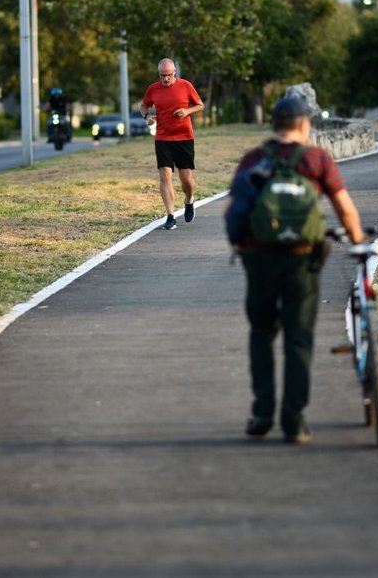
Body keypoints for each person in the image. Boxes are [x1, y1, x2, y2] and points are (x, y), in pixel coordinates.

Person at [225, 95, 364, 444]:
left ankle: (261, 413)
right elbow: (344, 208)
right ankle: (294, 421)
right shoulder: (317, 159)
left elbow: (232, 210)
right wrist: (359, 243)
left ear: (275, 125)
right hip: (302, 258)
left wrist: (240, 244)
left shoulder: (254, 159)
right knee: (298, 338)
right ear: (305, 125)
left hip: (259, 258)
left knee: (261, 333)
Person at [140, 58, 204, 230]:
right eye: (162, 75)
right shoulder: (153, 88)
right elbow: (143, 106)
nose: (166, 78)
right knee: (165, 175)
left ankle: (189, 200)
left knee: (186, 179)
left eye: (168, 75)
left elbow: (200, 105)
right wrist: (147, 117)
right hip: (162, 138)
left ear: (174, 72)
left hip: (184, 137)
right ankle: (170, 215)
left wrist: (187, 111)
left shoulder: (185, 86)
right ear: (159, 73)